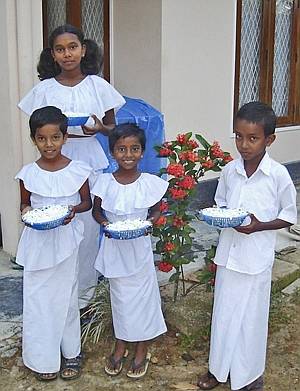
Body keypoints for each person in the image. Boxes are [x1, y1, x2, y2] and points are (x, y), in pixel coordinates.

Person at [18, 24, 125, 308]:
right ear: (52, 54)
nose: (67, 54)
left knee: (87, 229)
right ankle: (57, 296)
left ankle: (84, 298)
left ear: (84, 49)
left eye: (72, 47)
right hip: (54, 160)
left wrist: (100, 128)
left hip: (88, 156)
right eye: (60, 49)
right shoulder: (43, 90)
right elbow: (40, 127)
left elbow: (113, 128)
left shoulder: (98, 86)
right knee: (57, 221)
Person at [197, 102, 297, 391]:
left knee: (251, 318)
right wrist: (225, 217)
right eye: (238, 136)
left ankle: (250, 375)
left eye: (252, 138)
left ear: (269, 140)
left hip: (256, 259)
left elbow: (289, 216)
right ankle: (218, 371)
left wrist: (259, 226)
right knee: (224, 314)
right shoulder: (230, 171)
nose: (243, 144)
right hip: (229, 255)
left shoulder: (277, 175)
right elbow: (221, 204)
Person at [15, 106, 93, 381]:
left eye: (55, 138)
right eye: (42, 139)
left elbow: (87, 202)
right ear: (34, 139)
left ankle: (71, 351)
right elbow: (25, 203)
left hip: (65, 240)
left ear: (64, 138)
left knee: (66, 296)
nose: (49, 144)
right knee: (38, 299)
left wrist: (72, 211)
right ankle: (41, 357)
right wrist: (26, 213)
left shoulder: (77, 170)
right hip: (37, 242)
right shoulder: (28, 174)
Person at [91, 123, 168, 379]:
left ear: (143, 152)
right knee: (121, 299)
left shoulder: (149, 183)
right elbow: (97, 210)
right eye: (121, 149)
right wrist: (105, 224)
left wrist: (151, 221)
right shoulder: (104, 182)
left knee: (143, 297)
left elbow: (157, 209)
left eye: (134, 149)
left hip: (139, 248)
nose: (128, 154)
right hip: (115, 247)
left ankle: (141, 347)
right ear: (112, 152)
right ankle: (121, 343)